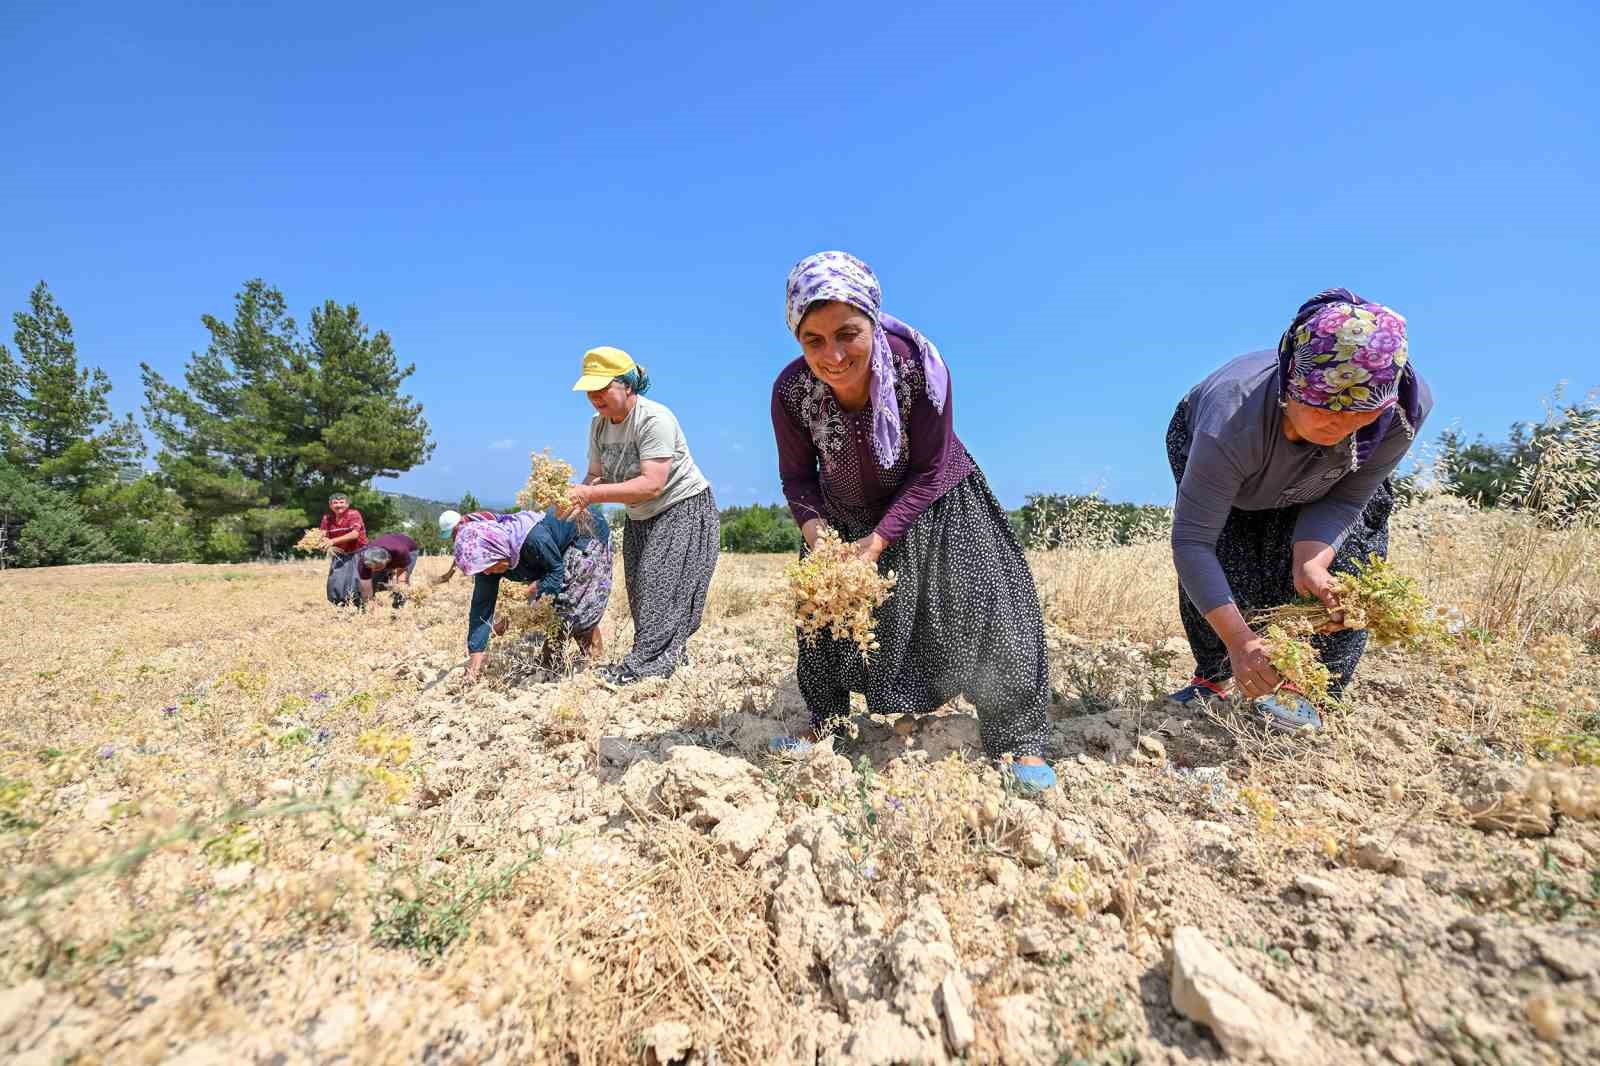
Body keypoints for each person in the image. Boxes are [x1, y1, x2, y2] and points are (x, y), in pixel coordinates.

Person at [767, 251, 1055, 792]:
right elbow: (798, 480)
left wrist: (878, 541)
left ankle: (1018, 737)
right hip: (843, 510)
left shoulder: (916, 366)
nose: (832, 355)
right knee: (821, 612)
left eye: (847, 334)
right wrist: (819, 537)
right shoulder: (791, 393)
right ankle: (823, 720)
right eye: (813, 340)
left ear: (872, 321)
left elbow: (928, 466)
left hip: (938, 494)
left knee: (987, 604)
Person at [1166, 289, 1432, 729]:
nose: (1341, 425)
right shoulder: (1232, 419)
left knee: (1344, 571)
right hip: (1233, 454)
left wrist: (1311, 559)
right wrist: (1237, 638)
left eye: (1360, 414)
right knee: (1234, 552)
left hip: (1328, 479)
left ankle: (1309, 688)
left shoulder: (1401, 410)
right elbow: (1194, 541)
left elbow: (1348, 497)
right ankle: (1215, 675)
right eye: (1326, 408)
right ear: (1293, 384)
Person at [564, 346, 718, 685]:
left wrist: (590, 494)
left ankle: (647, 667)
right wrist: (579, 496)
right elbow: (596, 474)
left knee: (658, 584)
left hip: (681, 506)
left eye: (602, 388)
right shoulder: (598, 426)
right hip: (641, 515)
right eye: (589, 389)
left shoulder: (654, 418)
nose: (594, 396)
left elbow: (651, 484)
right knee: (640, 590)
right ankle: (667, 657)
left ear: (628, 386)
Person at [454, 508, 613, 683]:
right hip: (556, 549)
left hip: (587, 530)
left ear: (495, 550)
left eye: (487, 566)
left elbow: (554, 572)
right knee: (561, 607)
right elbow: (481, 609)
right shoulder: (487, 564)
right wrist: (474, 662)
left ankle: (592, 663)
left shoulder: (532, 539)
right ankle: (554, 662)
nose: (485, 573)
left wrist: (527, 611)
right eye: (480, 569)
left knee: (573, 604)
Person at [320, 492, 367, 605]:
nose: (338, 505)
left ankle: (360, 606)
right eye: (335, 503)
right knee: (335, 582)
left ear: (347, 505)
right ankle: (339, 606)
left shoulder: (353, 514)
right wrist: (320, 542)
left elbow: (354, 534)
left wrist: (332, 541)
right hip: (340, 554)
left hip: (358, 552)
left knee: (355, 582)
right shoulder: (327, 518)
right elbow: (322, 535)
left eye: (342, 502)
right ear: (330, 506)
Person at [431, 509, 497, 586]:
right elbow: (460, 553)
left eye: (453, 532)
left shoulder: (479, 524)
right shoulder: (463, 528)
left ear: (461, 523)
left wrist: (449, 574)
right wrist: (449, 575)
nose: (453, 537)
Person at [355, 531, 419, 606]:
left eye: (377, 567)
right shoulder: (363, 562)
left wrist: (401, 589)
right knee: (373, 580)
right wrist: (369, 604)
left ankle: (400, 604)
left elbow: (402, 577)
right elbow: (365, 586)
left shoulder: (401, 552)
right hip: (387, 547)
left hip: (409, 548)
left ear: (387, 560)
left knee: (403, 582)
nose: (373, 570)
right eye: (371, 567)